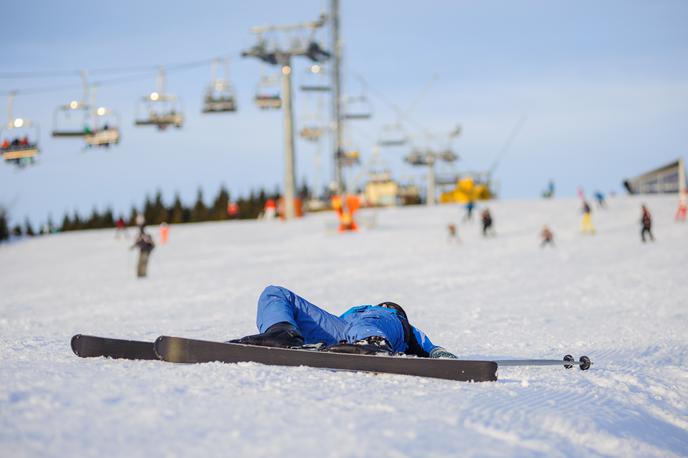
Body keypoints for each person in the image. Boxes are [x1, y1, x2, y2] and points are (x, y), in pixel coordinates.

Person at [233, 285, 458, 358]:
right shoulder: (354, 314)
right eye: (384, 304)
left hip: (381, 335)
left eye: (389, 306)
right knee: (274, 293)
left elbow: (432, 349)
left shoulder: (397, 321)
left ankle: (374, 343)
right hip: (342, 334)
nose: (385, 306)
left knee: (366, 322)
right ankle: (281, 333)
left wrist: (442, 354)